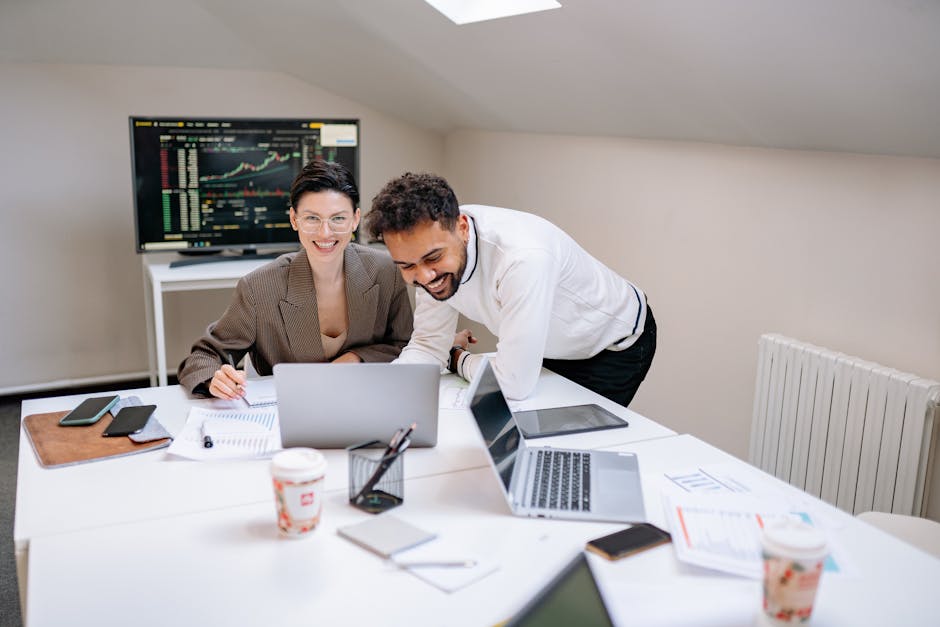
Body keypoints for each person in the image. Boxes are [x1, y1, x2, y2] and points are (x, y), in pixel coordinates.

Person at [366, 172, 656, 406]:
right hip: (549, 346)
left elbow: (512, 384)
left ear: (463, 228)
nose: (425, 276)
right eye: (406, 266)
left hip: (612, 345)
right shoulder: (428, 253)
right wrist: (388, 392)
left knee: (568, 448)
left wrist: (457, 359)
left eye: (434, 258)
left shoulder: (522, 258)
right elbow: (429, 345)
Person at [178, 160, 413, 399]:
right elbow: (203, 357)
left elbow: (407, 345)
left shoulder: (386, 271)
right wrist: (215, 380)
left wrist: (353, 359)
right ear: (294, 219)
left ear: (355, 219)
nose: (325, 233)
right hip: (290, 409)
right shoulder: (259, 287)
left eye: (338, 219)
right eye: (312, 218)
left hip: (368, 399)